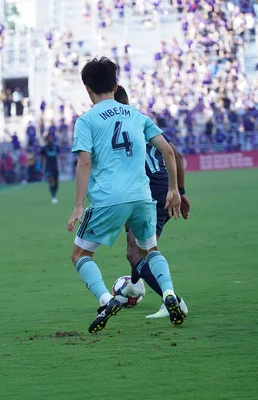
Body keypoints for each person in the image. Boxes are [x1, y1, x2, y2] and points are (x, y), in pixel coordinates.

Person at [66, 57, 184, 334]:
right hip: (143, 197)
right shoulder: (137, 115)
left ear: (87, 89)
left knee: (80, 254)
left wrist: (78, 205)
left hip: (109, 198)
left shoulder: (86, 120)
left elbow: (84, 162)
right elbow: (169, 152)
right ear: (116, 84)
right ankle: (169, 294)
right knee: (150, 250)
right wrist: (174, 190)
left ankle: (107, 300)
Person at [114, 85, 191, 319]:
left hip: (145, 191)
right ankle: (135, 284)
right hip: (163, 187)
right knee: (139, 246)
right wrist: (179, 190)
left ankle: (174, 301)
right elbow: (176, 155)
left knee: (137, 252)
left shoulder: (114, 127)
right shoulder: (141, 120)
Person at [41, 134, 60, 204]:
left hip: (55, 166)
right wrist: (42, 167)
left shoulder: (56, 146)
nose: (49, 139)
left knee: (57, 182)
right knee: (51, 180)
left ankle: (54, 194)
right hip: (48, 167)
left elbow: (59, 155)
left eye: (50, 138)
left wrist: (62, 165)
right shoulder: (44, 148)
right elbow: (42, 158)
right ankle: (53, 196)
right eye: (48, 138)